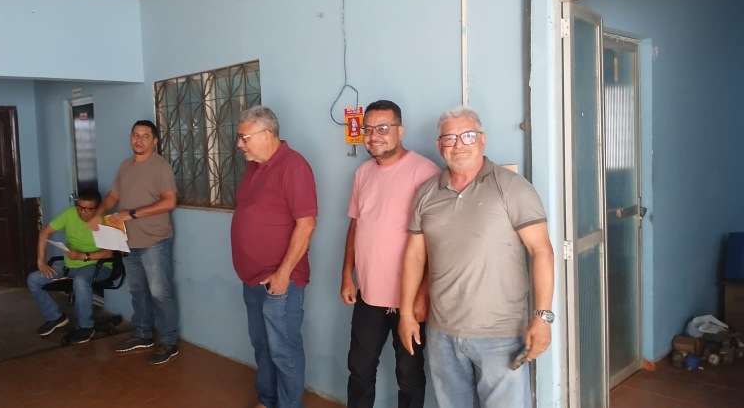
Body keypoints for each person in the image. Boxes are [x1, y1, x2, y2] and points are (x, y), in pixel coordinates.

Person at [398, 106, 555, 408]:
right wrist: (406, 315)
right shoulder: (427, 193)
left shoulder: (512, 188)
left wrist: (543, 317)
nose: (458, 144)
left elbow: (542, 251)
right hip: (442, 333)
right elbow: (415, 257)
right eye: (450, 138)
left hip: (501, 335)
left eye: (468, 135)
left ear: (482, 139)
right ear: (439, 145)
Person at [340, 100, 440, 408]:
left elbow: (438, 241)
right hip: (369, 295)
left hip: (408, 300)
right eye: (368, 129)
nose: (374, 136)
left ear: (400, 130)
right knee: (359, 369)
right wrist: (347, 275)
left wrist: (423, 294)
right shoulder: (363, 173)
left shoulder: (426, 172)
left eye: (383, 128)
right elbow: (356, 226)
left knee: (409, 375)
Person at [231, 105, 318, 408]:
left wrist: (283, 274)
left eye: (244, 138)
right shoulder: (254, 166)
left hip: (280, 281)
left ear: (266, 134)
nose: (239, 144)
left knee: (284, 350)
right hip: (251, 278)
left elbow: (306, 225)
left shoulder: (293, 166)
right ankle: (268, 400)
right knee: (263, 346)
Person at [89, 120, 179, 366]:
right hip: (128, 240)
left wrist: (132, 214)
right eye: (135, 135)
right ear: (130, 138)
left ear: (154, 141)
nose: (139, 140)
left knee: (160, 293)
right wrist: (99, 212)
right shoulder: (125, 166)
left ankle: (169, 341)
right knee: (137, 291)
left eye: (145, 136)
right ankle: (142, 334)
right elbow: (113, 195)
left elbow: (169, 201)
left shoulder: (160, 167)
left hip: (154, 240)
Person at [27, 188, 113, 344]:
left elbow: (109, 253)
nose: (82, 212)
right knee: (33, 279)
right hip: (69, 264)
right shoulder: (70, 214)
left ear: (98, 208)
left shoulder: (106, 220)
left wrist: (83, 256)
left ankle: (86, 327)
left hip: (99, 266)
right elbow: (44, 233)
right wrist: (41, 261)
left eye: (88, 209)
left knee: (80, 280)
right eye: (79, 207)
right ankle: (55, 317)